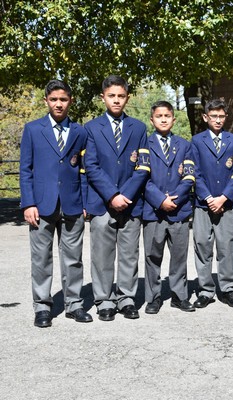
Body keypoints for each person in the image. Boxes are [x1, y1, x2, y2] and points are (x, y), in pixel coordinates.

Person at [20, 79, 92, 327]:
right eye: (53, 99)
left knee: (73, 257)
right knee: (41, 258)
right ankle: (42, 306)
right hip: (41, 205)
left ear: (71, 101)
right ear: (46, 101)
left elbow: (84, 170)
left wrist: (85, 202)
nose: (58, 104)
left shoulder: (80, 132)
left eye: (63, 99)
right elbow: (26, 169)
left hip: (73, 203)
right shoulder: (33, 129)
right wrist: (28, 203)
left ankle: (74, 304)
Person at [84, 75, 150, 321]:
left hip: (131, 203)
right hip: (102, 203)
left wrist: (126, 195)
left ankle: (126, 298)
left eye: (121, 96)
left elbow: (143, 166)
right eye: (111, 96)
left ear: (127, 98)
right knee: (102, 254)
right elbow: (91, 166)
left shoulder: (138, 128)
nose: (116, 100)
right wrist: (112, 195)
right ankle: (104, 300)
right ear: (103, 97)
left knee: (129, 254)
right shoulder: (91, 128)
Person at [142, 101, 195, 314]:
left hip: (179, 209)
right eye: (159, 116)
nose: (163, 119)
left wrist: (175, 199)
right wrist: (160, 200)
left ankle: (179, 296)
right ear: (151, 120)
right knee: (152, 256)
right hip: (153, 211)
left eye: (167, 116)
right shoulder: (145, 144)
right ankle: (153, 298)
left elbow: (189, 176)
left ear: (173, 119)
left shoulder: (184, 145)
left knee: (179, 256)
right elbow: (142, 177)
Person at [191, 99, 233, 309]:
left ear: (226, 117)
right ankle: (205, 290)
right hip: (204, 204)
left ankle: (229, 289)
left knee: (227, 248)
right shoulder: (196, 141)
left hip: (227, 204)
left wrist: (223, 197)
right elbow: (195, 173)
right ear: (206, 117)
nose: (218, 120)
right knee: (203, 246)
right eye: (214, 116)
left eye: (221, 116)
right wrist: (208, 198)